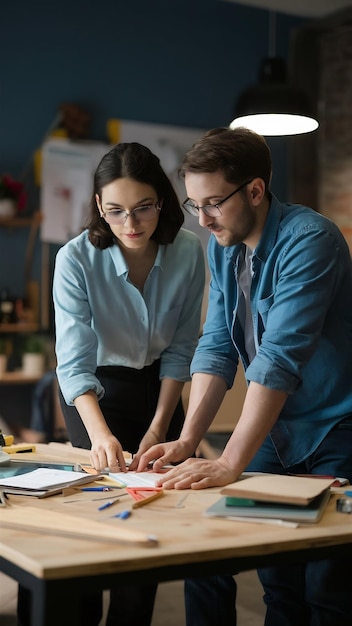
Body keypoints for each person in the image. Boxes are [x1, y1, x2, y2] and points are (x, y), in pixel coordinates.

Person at [132, 127, 352, 626]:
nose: (204, 220)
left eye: (213, 203)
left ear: (255, 190)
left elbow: (278, 357)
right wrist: (189, 440)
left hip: (335, 429)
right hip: (276, 431)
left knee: (327, 588)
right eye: (194, 205)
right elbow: (216, 344)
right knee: (279, 584)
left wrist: (231, 462)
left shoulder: (310, 239)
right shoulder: (224, 244)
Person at [17, 142, 205, 626]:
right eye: (116, 210)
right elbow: (74, 363)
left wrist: (162, 424)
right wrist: (100, 436)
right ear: (99, 205)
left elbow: (182, 350)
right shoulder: (75, 259)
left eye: (143, 208)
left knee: (150, 514)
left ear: (161, 201)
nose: (131, 224)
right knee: (98, 504)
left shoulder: (188, 252)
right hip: (94, 391)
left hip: (161, 387)